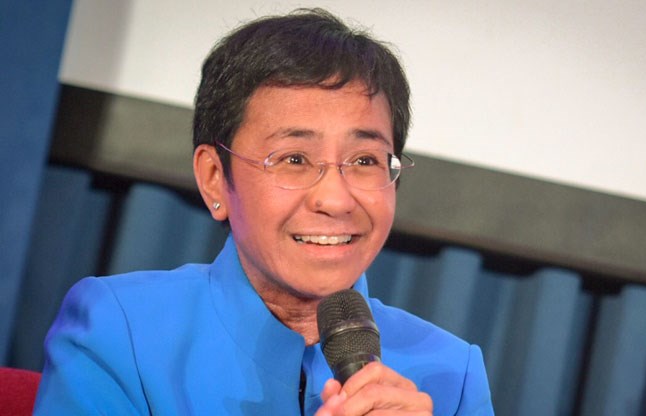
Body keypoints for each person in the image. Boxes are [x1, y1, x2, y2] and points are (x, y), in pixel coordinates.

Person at [34, 8, 494, 415]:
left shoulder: (452, 375)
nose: (335, 200)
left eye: (364, 161)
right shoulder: (121, 331)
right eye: (294, 159)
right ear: (214, 177)